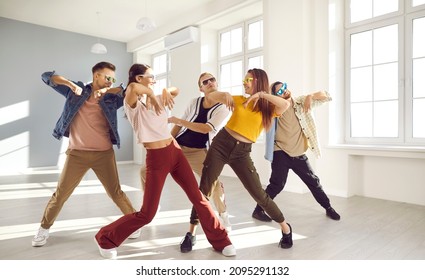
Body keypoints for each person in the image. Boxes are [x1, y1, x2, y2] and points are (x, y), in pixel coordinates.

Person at [94, 63, 235, 259]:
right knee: (147, 214)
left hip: (174, 150)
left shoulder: (160, 96)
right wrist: (152, 95)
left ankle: (221, 240)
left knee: (198, 198)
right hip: (157, 158)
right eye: (150, 76)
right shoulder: (132, 103)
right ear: (139, 78)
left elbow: (176, 90)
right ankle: (105, 237)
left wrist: (162, 91)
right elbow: (133, 89)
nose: (154, 79)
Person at [181, 68, 294, 251]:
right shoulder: (239, 100)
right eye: (243, 81)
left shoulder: (269, 109)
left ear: (258, 81)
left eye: (248, 80)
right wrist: (222, 93)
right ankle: (191, 232)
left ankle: (286, 228)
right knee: (205, 189)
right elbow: (211, 96)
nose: (245, 83)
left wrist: (261, 95)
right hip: (221, 145)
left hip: (242, 153)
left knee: (259, 194)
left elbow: (285, 105)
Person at [32, 61, 139, 247]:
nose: (110, 81)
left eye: (112, 78)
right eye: (107, 77)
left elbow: (130, 90)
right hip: (76, 155)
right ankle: (43, 228)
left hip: (103, 154)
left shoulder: (111, 98)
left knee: (116, 193)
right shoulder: (75, 92)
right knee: (61, 194)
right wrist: (71, 85)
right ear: (96, 75)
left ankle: (134, 224)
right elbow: (46, 76)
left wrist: (107, 91)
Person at [252, 81, 341, 222]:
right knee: (276, 185)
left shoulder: (301, 102)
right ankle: (258, 210)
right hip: (280, 151)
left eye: (285, 87)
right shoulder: (274, 108)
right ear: (275, 95)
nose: (285, 91)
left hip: (299, 153)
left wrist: (310, 96)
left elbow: (327, 96)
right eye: (280, 91)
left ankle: (328, 208)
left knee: (313, 182)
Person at [165, 72, 232, 253]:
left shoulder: (224, 107)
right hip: (179, 146)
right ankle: (144, 213)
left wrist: (178, 120)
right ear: (200, 88)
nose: (209, 82)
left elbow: (205, 129)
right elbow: (179, 126)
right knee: (144, 171)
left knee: (214, 184)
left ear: (216, 83)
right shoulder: (194, 102)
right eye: (205, 81)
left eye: (212, 79)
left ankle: (223, 214)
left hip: (198, 152)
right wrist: (169, 143)